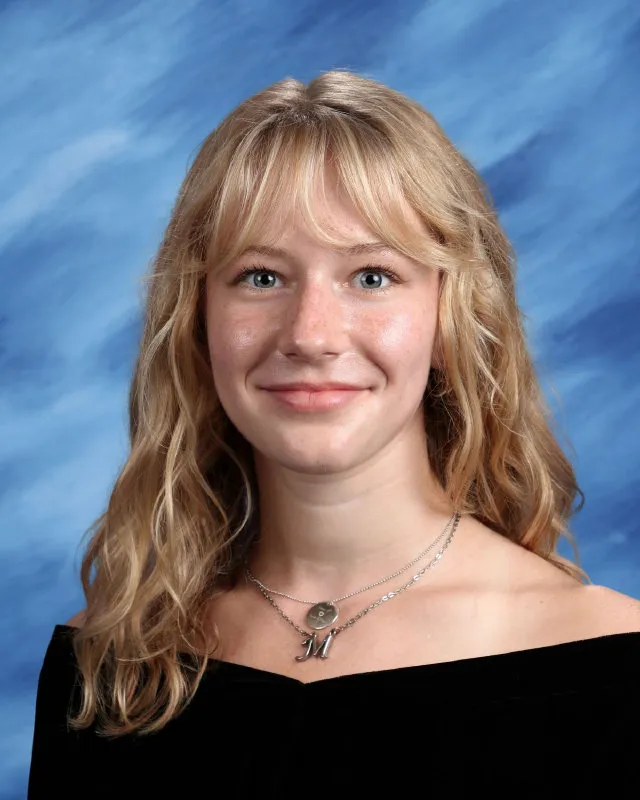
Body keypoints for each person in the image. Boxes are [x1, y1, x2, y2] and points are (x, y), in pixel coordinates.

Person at [28, 69, 639, 798]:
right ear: (196, 321)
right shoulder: (109, 668)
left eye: (372, 276)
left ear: (452, 317)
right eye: (261, 277)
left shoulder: (610, 663)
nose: (311, 335)